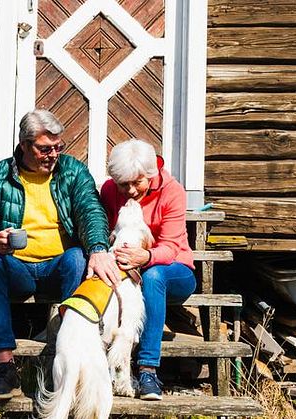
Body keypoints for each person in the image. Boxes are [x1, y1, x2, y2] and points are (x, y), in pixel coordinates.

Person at [0, 109, 120, 400]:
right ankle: (5, 370)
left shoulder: (73, 171)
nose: (53, 155)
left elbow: (91, 211)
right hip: (18, 269)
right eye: (44, 149)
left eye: (58, 147)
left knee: (78, 257)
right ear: (24, 145)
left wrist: (99, 249)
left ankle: (69, 363)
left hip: (60, 267)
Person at [99, 138, 196, 401]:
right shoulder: (109, 191)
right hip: (126, 274)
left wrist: (146, 256)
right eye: (123, 184)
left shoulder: (172, 190)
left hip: (174, 271)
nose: (130, 190)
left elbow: (172, 246)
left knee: (154, 276)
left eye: (137, 182)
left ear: (150, 175)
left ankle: (147, 370)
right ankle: (101, 365)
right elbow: (102, 230)